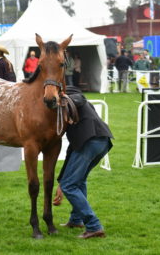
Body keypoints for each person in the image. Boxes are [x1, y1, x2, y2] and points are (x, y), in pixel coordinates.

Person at [53, 86, 113, 239]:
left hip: (90, 141)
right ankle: (76, 220)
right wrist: (61, 181)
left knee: (70, 185)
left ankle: (94, 226)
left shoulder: (71, 94)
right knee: (77, 182)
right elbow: (71, 151)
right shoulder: (69, 100)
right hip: (100, 141)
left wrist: (61, 100)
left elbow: (80, 98)